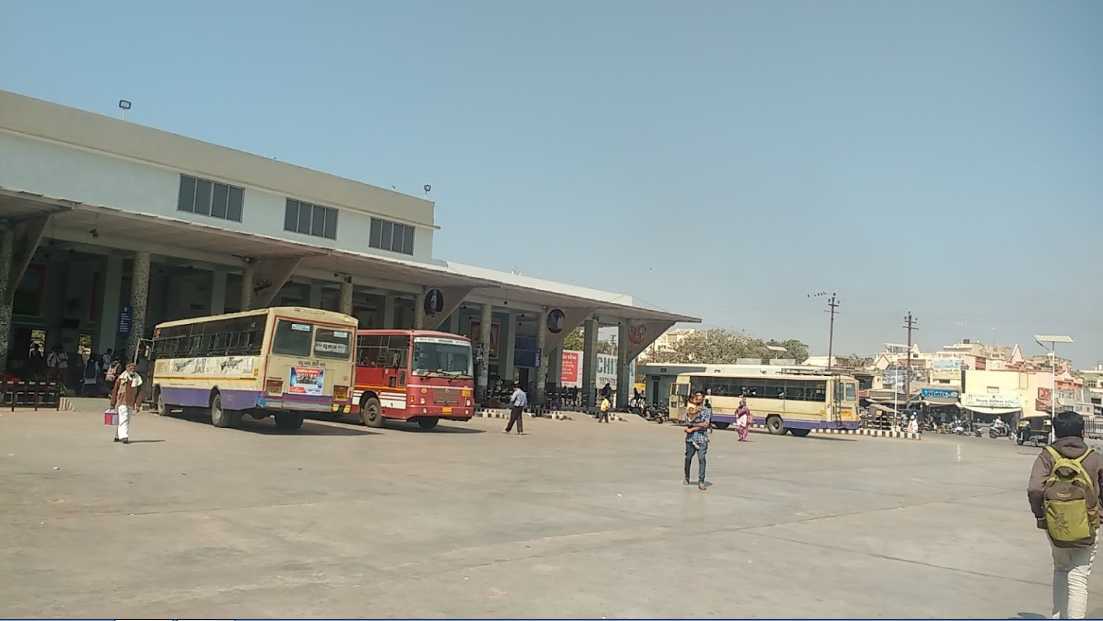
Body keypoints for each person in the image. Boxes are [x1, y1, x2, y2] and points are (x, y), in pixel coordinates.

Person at [1028, 411, 1103, 619]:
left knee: (1060, 570)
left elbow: (1035, 488)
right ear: (1082, 431)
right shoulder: (1094, 457)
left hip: (1056, 525)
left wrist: (1041, 516)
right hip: (1087, 525)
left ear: (1056, 431)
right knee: (1078, 577)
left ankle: (1058, 617)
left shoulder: (1047, 455)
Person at [684, 390, 711, 491]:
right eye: (696, 396)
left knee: (701, 458)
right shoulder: (690, 409)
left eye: (700, 396)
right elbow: (687, 421)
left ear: (703, 398)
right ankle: (687, 477)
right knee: (688, 458)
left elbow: (706, 424)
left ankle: (701, 481)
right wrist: (696, 420)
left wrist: (692, 427)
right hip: (690, 438)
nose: (698, 398)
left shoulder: (707, 410)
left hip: (702, 438)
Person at [110, 362, 143, 444]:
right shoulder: (121, 378)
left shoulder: (138, 379)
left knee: (126, 419)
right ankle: (124, 436)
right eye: (130, 368)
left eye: (133, 368)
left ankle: (117, 436)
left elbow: (140, 393)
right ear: (127, 368)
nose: (132, 369)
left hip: (131, 402)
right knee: (124, 418)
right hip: (122, 401)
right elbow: (115, 390)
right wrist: (112, 403)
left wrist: (138, 405)